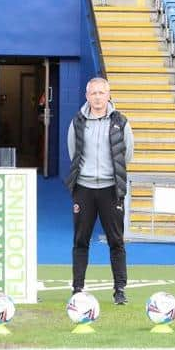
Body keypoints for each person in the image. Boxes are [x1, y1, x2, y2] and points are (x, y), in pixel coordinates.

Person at [65, 77, 134, 305]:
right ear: (87, 96)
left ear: (108, 95)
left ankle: (120, 290)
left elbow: (127, 156)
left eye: (101, 93)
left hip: (110, 190)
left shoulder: (121, 122)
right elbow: (73, 152)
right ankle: (77, 288)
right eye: (93, 93)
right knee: (81, 240)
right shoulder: (77, 122)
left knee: (116, 241)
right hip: (84, 189)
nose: (97, 97)